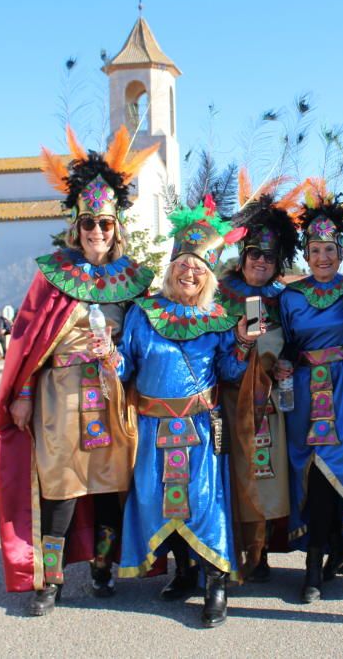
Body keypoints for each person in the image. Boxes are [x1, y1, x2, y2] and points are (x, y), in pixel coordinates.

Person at [0, 126, 157, 616]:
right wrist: (20, 391)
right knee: (60, 484)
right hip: (58, 392)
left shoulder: (134, 279)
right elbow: (27, 340)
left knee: (109, 484)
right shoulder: (52, 273)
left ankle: (103, 569)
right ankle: (51, 579)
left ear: (117, 227)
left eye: (105, 224)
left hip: (110, 392)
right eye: (89, 225)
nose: (97, 233)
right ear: (76, 227)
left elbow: (147, 337)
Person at [115, 190, 255, 629]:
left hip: (200, 425)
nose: (189, 272)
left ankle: (215, 583)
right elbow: (125, 367)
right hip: (153, 426)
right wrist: (106, 356)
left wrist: (245, 345)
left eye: (197, 268)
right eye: (182, 265)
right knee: (159, 500)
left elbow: (230, 372)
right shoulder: (142, 314)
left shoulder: (218, 317)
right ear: (171, 270)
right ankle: (183, 571)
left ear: (208, 277)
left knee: (203, 501)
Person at [275, 182, 343, 603]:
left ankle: (317, 563)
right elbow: (282, 343)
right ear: (305, 256)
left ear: (341, 253)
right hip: (305, 391)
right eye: (315, 251)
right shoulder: (290, 297)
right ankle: (326, 549)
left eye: (330, 250)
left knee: (337, 467)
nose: (322, 257)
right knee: (307, 469)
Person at [218, 180, 302, 582]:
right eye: (254, 254)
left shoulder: (286, 298)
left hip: (273, 405)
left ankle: (263, 549)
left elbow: (297, 345)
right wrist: (238, 344)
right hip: (230, 404)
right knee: (239, 476)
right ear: (243, 255)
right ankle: (238, 550)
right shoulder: (217, 295)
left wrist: (286, 365)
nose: (261, 262)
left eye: (269, 256)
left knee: (271, 474)